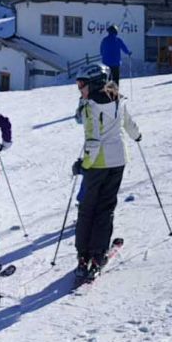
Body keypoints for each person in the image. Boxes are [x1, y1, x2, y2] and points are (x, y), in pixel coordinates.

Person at [74, 64, 141, 282]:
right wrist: (137, 136)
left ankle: (84, 255)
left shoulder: (89, 106)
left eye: (81, 84)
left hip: (97, 164)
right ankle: (97, 252)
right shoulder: (117, 98)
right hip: (118, 160)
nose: (79, 89)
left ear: (92, 84)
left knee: (87, 209)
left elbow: (93, 141)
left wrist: (83, 165)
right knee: (105, 208)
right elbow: (129, 123)